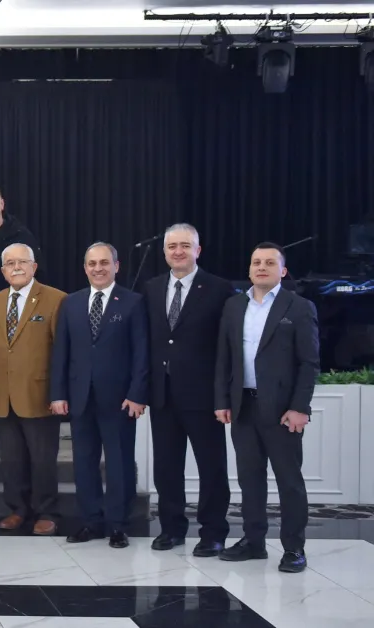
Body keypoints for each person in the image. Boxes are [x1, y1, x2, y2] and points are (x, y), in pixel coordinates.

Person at [215, 242, 319, 573]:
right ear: (249, 269)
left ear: (282, 271)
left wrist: (300, 407)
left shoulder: (299, 307)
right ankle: (253, 542)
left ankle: (294, 548)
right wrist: (222, 401)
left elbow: (309, 363)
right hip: (243, 406)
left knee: (289, 480)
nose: (262, 267)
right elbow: (224, 359)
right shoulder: (233, 306)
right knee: (249, 479)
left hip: (282, 411)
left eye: (270, 262)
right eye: (256, 262)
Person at [50, 242, 149, 548]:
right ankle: (91, 521)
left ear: (116, 266)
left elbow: (141, 354)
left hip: (119, 399)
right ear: (85, 268)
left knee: (119, 462)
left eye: (104, 263)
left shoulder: (132, 303)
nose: (98, 268)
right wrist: (58, 393)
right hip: (80, 398)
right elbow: (61, 353)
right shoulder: (71, 303)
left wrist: (137, 394)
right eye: (92, 264)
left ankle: (118, 524)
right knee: (83, 462)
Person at [144, 223, 234, 556]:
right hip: (163, 395)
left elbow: (227, 347)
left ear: (198, 250)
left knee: (211, 467)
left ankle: (213, 532)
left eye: (185, 245)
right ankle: (171, 528)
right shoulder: (151, 288)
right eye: (172, 246)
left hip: (204, 396)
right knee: (167, 468)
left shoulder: (219, 288)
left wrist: (224, 393)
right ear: (164, 251)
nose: (178, 252)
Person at [0, 243, 66, 535]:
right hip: (3, 396)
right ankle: (17, 509)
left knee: (42, 459)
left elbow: (62, 353)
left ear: (34, 267)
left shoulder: (55, 300)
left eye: (22, 262)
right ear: (3, 271)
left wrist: (58, 393)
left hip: (40, 396)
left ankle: (47, 511)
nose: (16, 267)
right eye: (10, 263)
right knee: (12, 460)